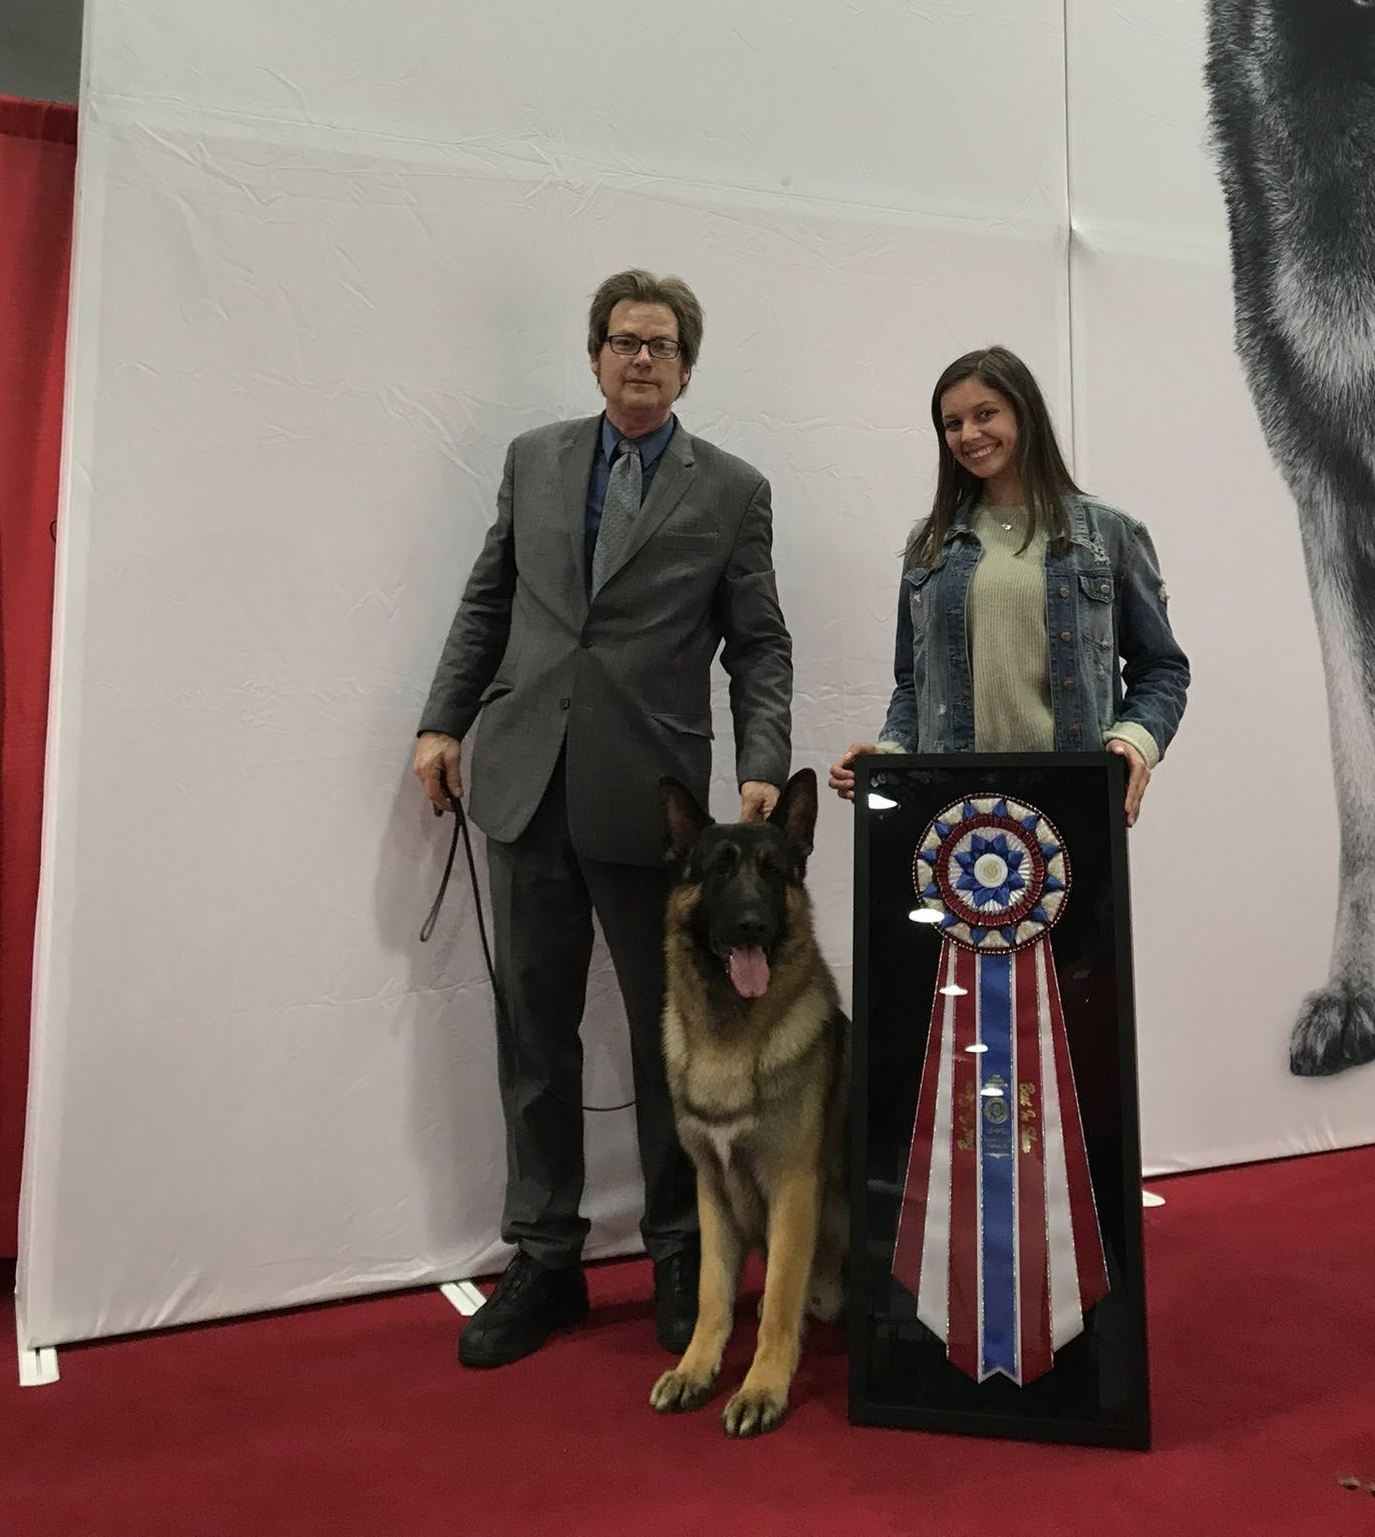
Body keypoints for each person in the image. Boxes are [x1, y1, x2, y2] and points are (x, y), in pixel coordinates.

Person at [414, 268, 793, 1369]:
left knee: (671, 1035)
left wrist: (763, 761)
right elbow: (489, 600)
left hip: (652, 802)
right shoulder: (533, 460)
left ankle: (681, 1248)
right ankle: (544, 1256)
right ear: (594, 356)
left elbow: (759, 641)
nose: (641, 358)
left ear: (687, 368)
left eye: (661, 345)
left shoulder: (733, 490)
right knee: (533, 1034)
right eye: (624, 340)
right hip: (524, 780)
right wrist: (443, 721)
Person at [829, 346, 1187, 820]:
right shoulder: (929, 544)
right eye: (952, 423)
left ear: (1024, 413)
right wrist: (889, 754)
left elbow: (1162, 667)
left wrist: (1135, 740)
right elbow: (913, 684)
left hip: (1074, 797)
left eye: (985, 414)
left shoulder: (1110, 535)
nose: (968, 434)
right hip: (951, 807)